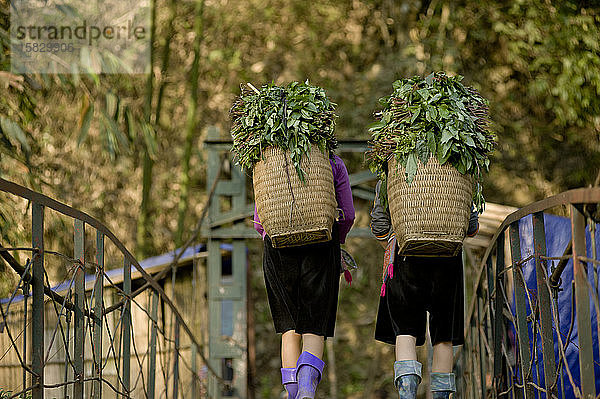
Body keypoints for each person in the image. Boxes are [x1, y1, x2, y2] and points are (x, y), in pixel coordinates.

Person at [254, 152, 355, 399]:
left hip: (277, 247)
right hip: (322, 243)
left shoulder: (268, 161)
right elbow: (348, 214)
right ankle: (307, 390)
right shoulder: (332, 162)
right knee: (314, 324)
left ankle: (292, 394)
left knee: (289, 327)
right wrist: (337, 240)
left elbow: (259, 221)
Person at [370, 179, 479, 399]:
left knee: (405, 332)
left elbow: (379, 224)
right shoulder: (457, 167)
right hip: (448, 258)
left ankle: (407, 395)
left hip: (405, 254)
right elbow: (471, 225)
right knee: (443, 337)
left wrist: (394, 242)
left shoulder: (394, 166)